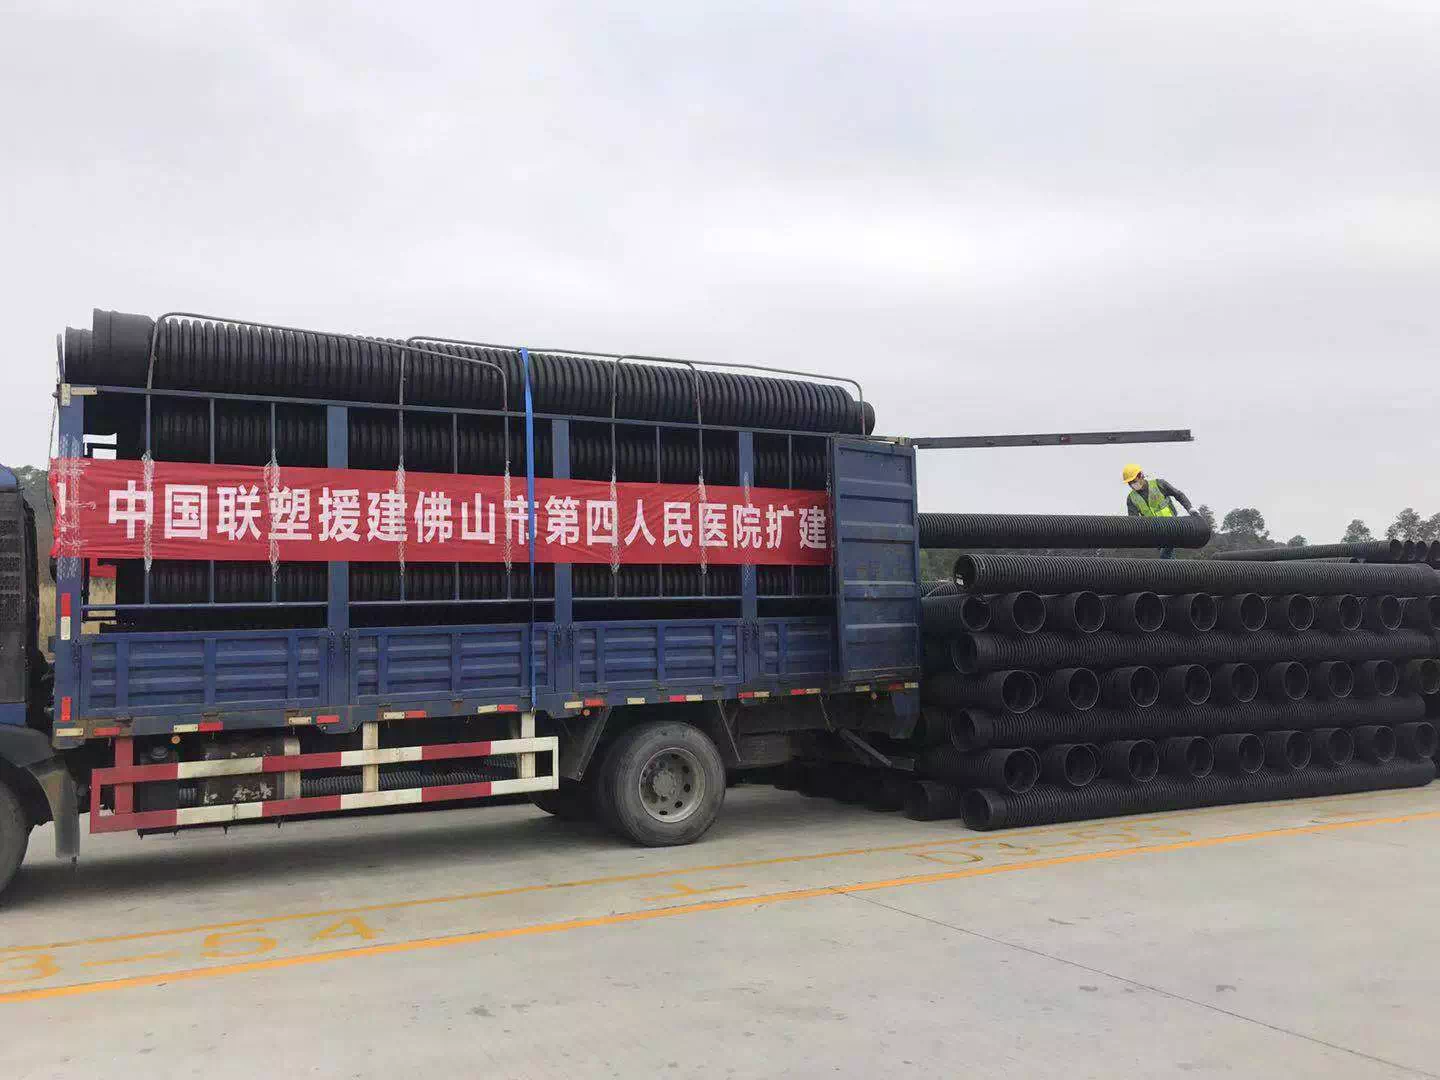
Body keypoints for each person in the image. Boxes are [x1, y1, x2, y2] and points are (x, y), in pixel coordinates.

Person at [1121, 464, 1194, 558]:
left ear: (1140, 475)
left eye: (1134, 481)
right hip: (1156, 533)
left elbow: (1178, 495)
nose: (1132, 485)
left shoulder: (1159, 484)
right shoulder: (1131, 498)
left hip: (1172, 526)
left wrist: (1190, 509)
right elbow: (1134, 521)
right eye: (1129, 483)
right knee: (1167, 559)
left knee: (1165, 555)